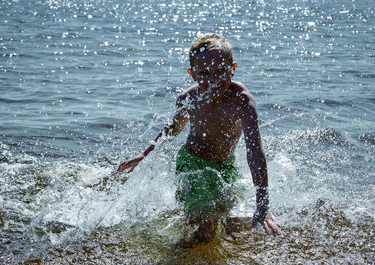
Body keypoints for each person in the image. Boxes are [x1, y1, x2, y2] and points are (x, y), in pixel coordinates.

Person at [117, 33, 280, 244]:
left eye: (221, 70)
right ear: (192, 74)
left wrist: (263, 205)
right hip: (192, 165)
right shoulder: (189, 99)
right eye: (204, 73)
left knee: (222, 218)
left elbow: (255, 154)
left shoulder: (242, 102)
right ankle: (184, 253)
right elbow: (172, 130)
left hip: (226, 167)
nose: (213, 79)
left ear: (233, 68)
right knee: (201, 226)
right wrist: (143, 154)